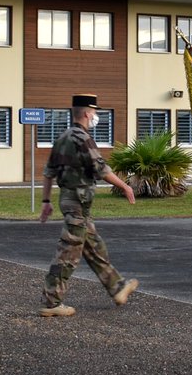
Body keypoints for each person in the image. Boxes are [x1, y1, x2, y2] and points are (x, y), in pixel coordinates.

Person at [37, 94, 139, 317]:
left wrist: (45, 201)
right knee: (68, 254)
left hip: (71, 202)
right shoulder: (82, 138)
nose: (96, 116)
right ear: (86, 113)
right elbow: (101, 169)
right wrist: (125, 186)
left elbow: (48, 173)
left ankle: (117, 287)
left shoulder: (63, 137)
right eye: (94, 112)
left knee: (94, 247)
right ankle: (51, 302)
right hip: (78, 204)